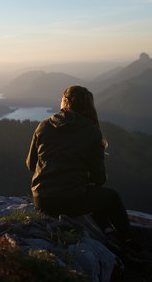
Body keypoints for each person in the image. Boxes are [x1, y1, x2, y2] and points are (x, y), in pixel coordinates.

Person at [26, 85, 134, 248]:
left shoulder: (43, 126)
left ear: (64, 102)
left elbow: (30, 164)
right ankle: (128, 241)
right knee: (111, 197)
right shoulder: (91, 131)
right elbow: (99, 178)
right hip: (70, 202)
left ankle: (106, 229)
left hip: (41, 201)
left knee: (89, 193)